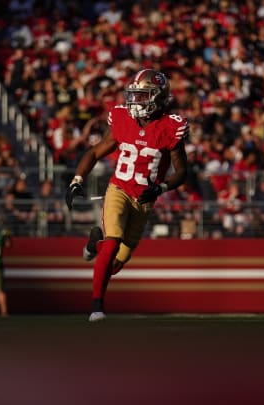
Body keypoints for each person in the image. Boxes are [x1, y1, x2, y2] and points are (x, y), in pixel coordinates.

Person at [65, 69, 189, 321]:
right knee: (113, 240)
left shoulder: (170, 126)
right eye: (135, 95)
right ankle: (96, 307)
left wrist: (162, 187)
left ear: (158, 98)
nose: (136, 101)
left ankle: (94, 242)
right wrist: (77, 180)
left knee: (117, 262)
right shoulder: (122, 119)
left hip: (144, 200)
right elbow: (94, 152)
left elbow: (182, 171)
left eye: (143, 96)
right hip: (119, 189)